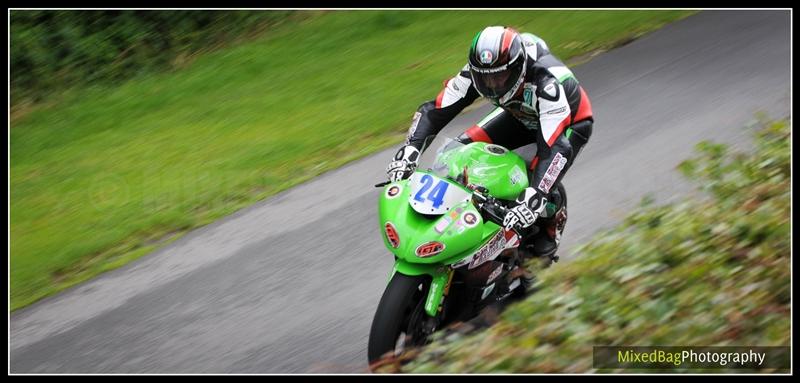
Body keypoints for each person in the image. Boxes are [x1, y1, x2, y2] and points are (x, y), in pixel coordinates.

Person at [385, 26, 594, 260]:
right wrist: (410, 148)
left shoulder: (546, 83)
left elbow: (554, 147)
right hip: (519, 113)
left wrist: (536, 193)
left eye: (499, 76)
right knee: (455, 152)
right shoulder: (476, 72)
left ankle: (551, 223)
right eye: (484, 77)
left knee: (536, 179)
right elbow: (435, 111)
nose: (491, 84)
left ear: (517, 68)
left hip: (568, 123)